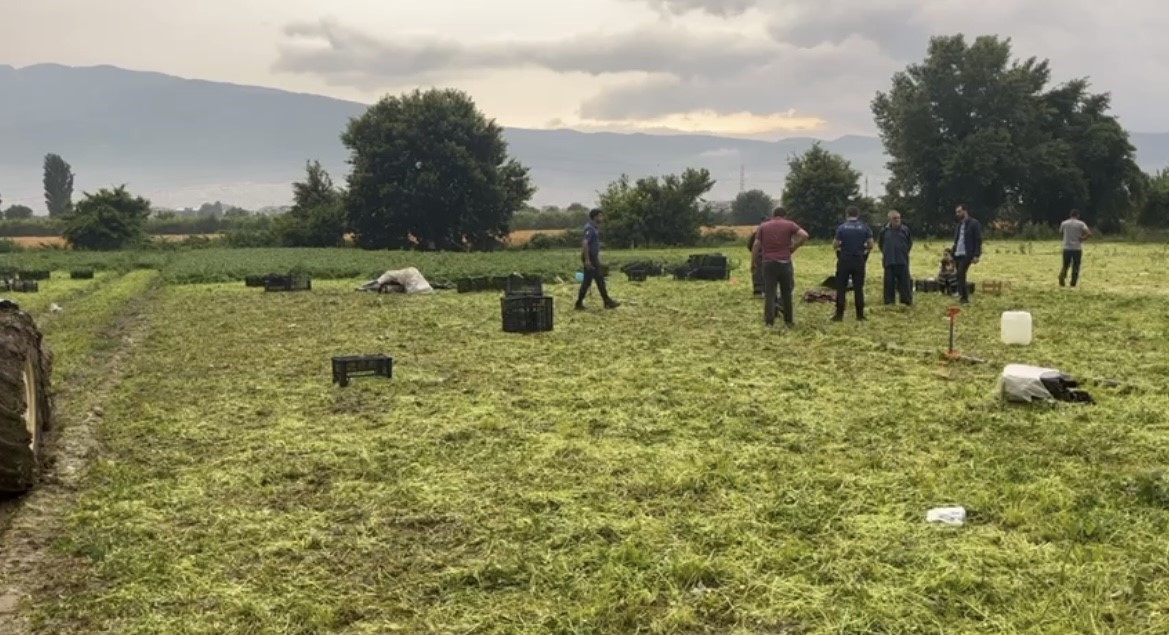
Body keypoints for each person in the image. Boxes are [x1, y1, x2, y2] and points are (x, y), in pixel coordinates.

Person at [752, 206, 808, 327]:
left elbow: (756, 244)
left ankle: (769, 322)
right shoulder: (789, 224)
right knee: (787, 293)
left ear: (773, 215)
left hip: (768, 263)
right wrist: (794, 247)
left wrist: (753, 262)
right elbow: (804, 235)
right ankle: (788, 320)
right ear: (784, 215)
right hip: (784, 263)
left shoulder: (763, 226)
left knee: (770, 293)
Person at [831, 206, 874, 321]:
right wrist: (862, 248)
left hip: (844, 259)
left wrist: (842, 246)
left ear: (847, 214)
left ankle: (839, 315)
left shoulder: (842, 228)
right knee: (858, 288)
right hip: (858, 260)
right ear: (858, 214)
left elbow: (835, 245)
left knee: (841, 288)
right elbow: (871, 244)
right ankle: (860, 315)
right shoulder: (864, 227)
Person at [575, 208, 620, 310]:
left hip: (592, 257)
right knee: (599, 279)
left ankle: (579, 303)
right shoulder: (590, 228)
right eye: (600, 216)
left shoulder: (594, 228)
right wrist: (587, 260)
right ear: (595, 217)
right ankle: (607, 301)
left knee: (588, 281)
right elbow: (585, 243)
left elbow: (591, 243)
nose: (602, 218)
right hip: (590, 257)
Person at [877, 210, 913, 306]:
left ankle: (906, 302)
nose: (897, 220)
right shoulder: (884, 231)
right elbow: (880, 244)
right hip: (889, 261)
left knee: (905, 283)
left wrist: (903, 252)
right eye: (894, 218)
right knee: (889, 284)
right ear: (889, 220)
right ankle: (889, 302)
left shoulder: (905, 230)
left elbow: (909, 243)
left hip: (903, 261)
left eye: (898, 218)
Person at [951, 204, 982, 304]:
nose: (957, 214)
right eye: (956, 212)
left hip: (967, 253)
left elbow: (978, 240)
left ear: (965, 211)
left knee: (961, 273)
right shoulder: (959, 225)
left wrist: (976, 255)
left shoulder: (974, 223)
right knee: (959, 275)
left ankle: (964, 297)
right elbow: (957, 240)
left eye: (959, 212)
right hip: (957, 253)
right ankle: (962, 295)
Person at [1058, 209, 1091, 287]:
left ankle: (1062, 276)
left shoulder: (1064, 223)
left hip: (1066, 248)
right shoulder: (1081, 224)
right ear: (1078, 215)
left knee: (1065, 265)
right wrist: (1083, 238)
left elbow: (1060, 232)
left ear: (1070, 215)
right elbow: (1089, 233)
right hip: (1077, 248)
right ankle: (1073, 283)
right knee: (1076, 266)